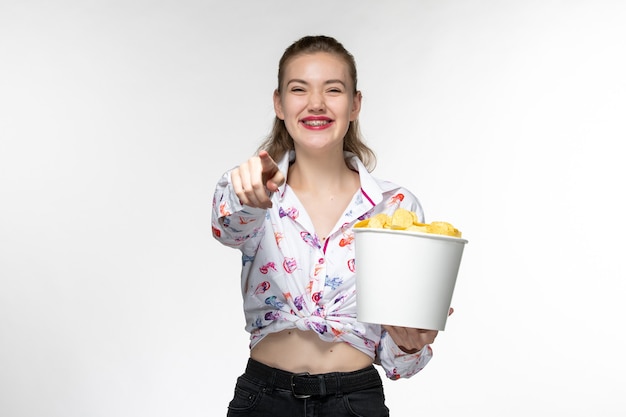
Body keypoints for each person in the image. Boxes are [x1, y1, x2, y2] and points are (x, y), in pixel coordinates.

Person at [211, 35, 451, 417]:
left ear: (355, 104)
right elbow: (228, 228)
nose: (316, 103)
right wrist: (248, 197)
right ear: (279, 103)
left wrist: (410, 344)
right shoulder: (253, 186)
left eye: (333, 90)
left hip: (354, 402)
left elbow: (396, 363)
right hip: (264, 399)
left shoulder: (396, 207)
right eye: (299, 89)